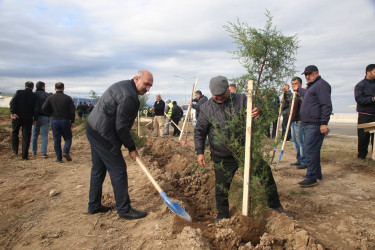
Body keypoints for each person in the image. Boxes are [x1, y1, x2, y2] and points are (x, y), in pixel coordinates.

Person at [194, 76, 289, 223]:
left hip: (245, 150)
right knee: (221, 187)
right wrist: (200, 152)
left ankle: (275, 205)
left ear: (228, 90)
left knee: (265, 173)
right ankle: (222, 215)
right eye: (216, 96)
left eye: (222, 95)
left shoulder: (242, 99)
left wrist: (258, 112)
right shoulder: (206, 108)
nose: (219, 98)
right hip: (222, 155)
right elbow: (200, 131)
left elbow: (260, 113)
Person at [86, 70, 153, 219]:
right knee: (119, 169)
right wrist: (131, 148)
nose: (148, 88)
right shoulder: (129, 96)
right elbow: (121, 126)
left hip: (93, 128)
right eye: (146, 84)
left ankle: (94, 205)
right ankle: (124, 210)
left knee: (98, 168)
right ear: (137, 79)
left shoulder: (123, 86)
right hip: (103, 134)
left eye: (150, 86)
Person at [297, 65, 332, 187]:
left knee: (310, 150)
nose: (307, 76)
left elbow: (326, 105)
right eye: (305, 74)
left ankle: (311, 177)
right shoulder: (312, 86)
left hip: (315, 124)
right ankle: (316, 173)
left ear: (316, 73)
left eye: (310, 74)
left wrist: (323, 123)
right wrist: (298, 88)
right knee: (313, 150)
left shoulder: (321, 85)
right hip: (308, 124)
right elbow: (306, 93)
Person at [42, 82, 76, 163]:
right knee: (68, 138)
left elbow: (44, 108)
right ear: (63, 88)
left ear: (55, 88)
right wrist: (72, 121)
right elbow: (72, 111)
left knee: (57, 140)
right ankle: (66, 151)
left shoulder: (51, 97)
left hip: (54, 120)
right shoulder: (68, 98)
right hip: (65, 120)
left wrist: (50, 113)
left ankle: (59, 158)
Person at [10, 81, 39, 160]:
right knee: (26, 136)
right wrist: (35, 118)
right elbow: (36, 109)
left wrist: (13, 112)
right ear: (33, 87)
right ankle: (24, 156)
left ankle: (15, 150)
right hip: (28, 118)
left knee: (15, 132)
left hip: (17, 117)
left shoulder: (19, 92)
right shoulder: (34, 96)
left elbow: (12, 102)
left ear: (25, 86)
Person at [354, 64, 375, 162]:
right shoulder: (360, 85)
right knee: (363, 137)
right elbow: (359, 99)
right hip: (365, 115)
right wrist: (372, 99)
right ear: (368, 72)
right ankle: (361, 156)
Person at [289, 77, 306, 169]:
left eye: (295, 84)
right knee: (295, 142)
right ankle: (299, 159)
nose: (293, 86)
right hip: (292, 121)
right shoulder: (293, 94)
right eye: (292, 84)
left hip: (299, 121)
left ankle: (304, 161)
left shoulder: (302, 94)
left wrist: (298, 93)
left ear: (300, 84)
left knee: (301, 142)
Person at [31, 81, 51, 158]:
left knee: (34, 135)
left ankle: (34, 151)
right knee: (44, 135)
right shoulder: (47, 95)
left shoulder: (33, 95)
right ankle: (43, 152)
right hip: (45, 117)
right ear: (43, 87)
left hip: (34, 117)